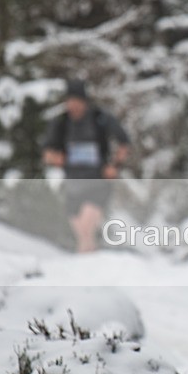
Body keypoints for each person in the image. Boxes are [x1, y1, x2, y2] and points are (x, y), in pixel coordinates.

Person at [42, 79, 131, 252]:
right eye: (69, 102)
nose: (73, 106)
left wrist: (115, 166)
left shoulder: (100, 118)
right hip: (73, 184)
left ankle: (87, 265)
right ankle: (91, 263)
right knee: (82, 233)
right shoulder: (61, 122)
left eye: (77, 102)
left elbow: (124, 142)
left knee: (86, 227)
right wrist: (55, 158)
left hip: (98, 182)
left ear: (85, 102)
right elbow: (47, 152)